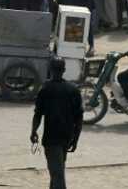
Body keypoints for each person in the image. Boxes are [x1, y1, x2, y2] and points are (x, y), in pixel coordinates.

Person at [31, 56, 83, 189]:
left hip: (51, 138)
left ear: (50, 69)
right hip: (66, 137)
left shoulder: (45, 89)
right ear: (64, 70)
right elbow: (79, 118)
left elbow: (38, 114)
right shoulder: (73, 90)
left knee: (57, 174)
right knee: (57, 172)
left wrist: (33, 131)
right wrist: (75, 139)